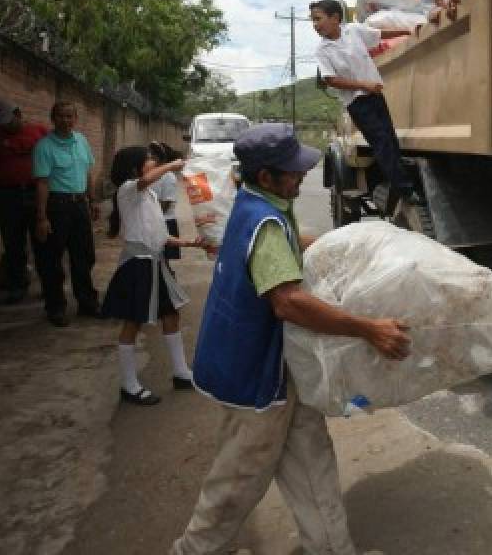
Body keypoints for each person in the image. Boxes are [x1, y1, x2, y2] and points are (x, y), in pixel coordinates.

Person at [173, 123, 411, 555]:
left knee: (311, 458)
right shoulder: (264, 220)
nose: (301, 176)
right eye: (293, 171)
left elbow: (287, 244)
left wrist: (338, 244)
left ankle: (331, 548)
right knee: (239, 479)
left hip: (278, 368)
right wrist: (368, 328)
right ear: (266, 176)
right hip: (252, 374)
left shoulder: (257, 202)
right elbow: (289, 303)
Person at [102, 144, 207, 407]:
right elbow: (147, 179)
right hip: (137, 265)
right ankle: (129, 384)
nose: (152, 163)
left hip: (155, 263)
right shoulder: (128, 190)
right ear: (135, 167)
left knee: (171, 315)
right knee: (133, 323)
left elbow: (159, 235)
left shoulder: (148, 194)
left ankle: (181, 373)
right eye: (148, 160)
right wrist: (172, 165)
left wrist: (188, 243)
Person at [311, 0, 415, 214]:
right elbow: (331, 80)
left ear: (335, 18)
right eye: (313, 20)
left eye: (318, 19)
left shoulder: (354, 31)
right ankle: (405, 189)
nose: (315, 24)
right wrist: (363, 85)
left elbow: (378, 35)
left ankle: (398, 185)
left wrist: (410, 30)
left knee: (390, 139)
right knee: (382, 142)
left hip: (375, 95)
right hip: (357, 102)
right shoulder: (323, 50)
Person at [0, 100, 49, 305]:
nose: (5, 126)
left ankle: (48, 283)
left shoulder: (39, 132)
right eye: (1, 123)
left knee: (42, 240)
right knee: (13, 242)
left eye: (8, 121)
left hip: (35, 193)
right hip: (7, 196)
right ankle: (17, 285)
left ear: (18, 113)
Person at [32, 101, 99, 327]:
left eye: (70, 116)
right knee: (51, 259)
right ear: (53, 118)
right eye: (61, 116)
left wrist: (92, 200)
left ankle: (87, 302)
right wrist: (41, 218)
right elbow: (42, 183)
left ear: (75, 119)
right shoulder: (44, 147)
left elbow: (88, 172)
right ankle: (56, 307)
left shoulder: (81, 141)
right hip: (56, 206)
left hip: (80, 204)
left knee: (84, 256)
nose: (65, 120)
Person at [151, 142, 184, 269]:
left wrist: (149, 214)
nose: (148, 159)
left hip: (164, 222)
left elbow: (165, 204)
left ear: (159, 158)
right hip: (154, 221)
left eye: (152, 156)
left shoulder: (168, 176)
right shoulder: (151, 175)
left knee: (163, 261)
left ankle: (167, 285)